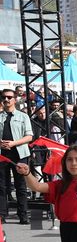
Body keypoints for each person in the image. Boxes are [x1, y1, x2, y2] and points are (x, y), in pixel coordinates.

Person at [0, 88, 33, 224]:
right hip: (2, 154)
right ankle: (2, 214)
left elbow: (29, 136)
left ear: (14, 99)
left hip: (19, 154)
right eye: (4, 97)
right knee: (1, 185)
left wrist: (13, 143)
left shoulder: (23, 116)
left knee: (20, 185)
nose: (6, 100)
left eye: (9, 97)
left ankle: (23, 214)